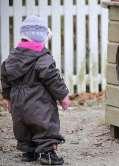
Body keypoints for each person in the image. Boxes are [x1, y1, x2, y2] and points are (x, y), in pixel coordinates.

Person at [1, 15, 71, 165]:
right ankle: (47, 152)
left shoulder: (12, 57)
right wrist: (63, 96)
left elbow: (5, 74)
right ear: (41, 38)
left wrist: (7, 97)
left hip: (18, 103)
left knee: (24, 128)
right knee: (45, 125)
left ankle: (29, 151)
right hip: (38, 102)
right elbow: (53, 78)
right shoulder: (42, 57)